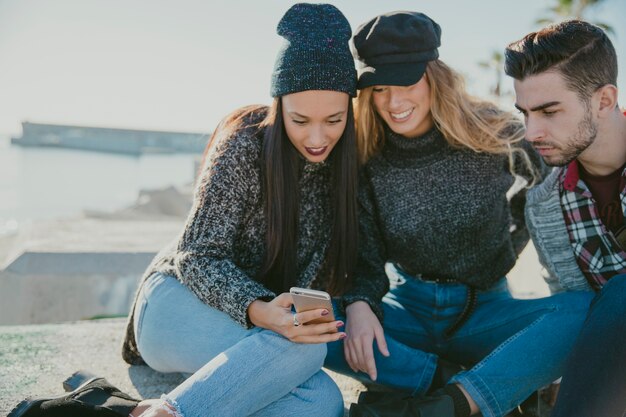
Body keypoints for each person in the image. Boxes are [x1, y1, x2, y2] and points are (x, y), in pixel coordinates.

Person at [8, 4, 358, 417]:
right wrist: (259, 308)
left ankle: (131, 410)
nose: (317, 137)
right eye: (300, 120)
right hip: (175, 304)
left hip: (264, 332)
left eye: (334, 120)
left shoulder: (344, 168)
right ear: (279, 104)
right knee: (304, 353)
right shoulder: (245, 143)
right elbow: (196, 255)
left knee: (321, 403)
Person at [329, 11, 595, 417]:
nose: (393, 101)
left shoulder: (497, 134)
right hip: (406, 314)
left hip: (485, 311)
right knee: (303, 320)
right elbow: (365, 255)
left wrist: (506, 249)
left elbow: (545, 194)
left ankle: (449, 403)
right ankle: (443, 377)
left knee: (584, 311)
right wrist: (359, 305)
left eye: (406, 82)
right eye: (379, 88)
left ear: (434, 75)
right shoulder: (369, 157)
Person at [505, 20, 626, 417]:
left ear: (604, 101)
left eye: (549, 111)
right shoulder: (544, 206)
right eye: (524, 113)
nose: (532, 131)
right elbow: (573, 303)